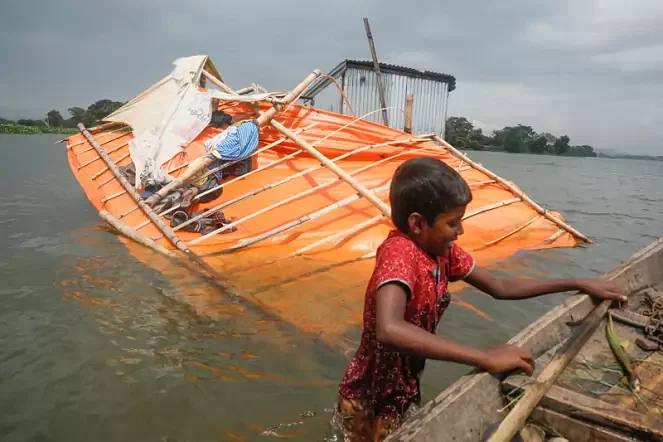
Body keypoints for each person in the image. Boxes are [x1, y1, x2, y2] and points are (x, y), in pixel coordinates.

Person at [335, 157, 627, 442]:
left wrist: (577, 282)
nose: (460, 232)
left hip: (403, 391)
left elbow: (499, 286)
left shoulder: (442, 254)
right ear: (418, 224)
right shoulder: (399, 252)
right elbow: (389, 329)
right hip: (368, 398)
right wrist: (484, 357)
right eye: (453, 223)